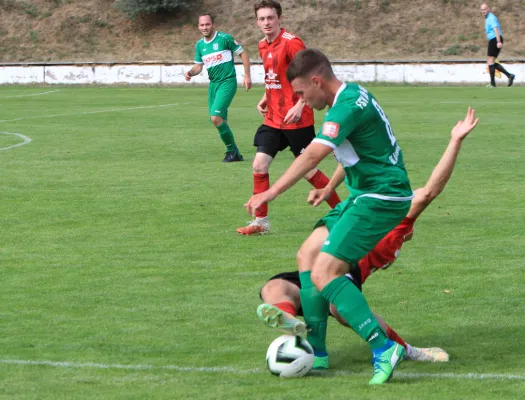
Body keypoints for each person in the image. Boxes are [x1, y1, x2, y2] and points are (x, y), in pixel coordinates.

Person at [257, 106, 480, 366]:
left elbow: (430, 190)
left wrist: (455, 140)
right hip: (323, 261)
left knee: (338, 308)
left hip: (345, 272)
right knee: (273, 288)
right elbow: (355, 162)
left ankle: (405, 349)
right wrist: (330, 188)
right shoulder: (368, 204)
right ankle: (295, 326)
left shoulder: (399, 217)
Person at [245, 48, 414, 385]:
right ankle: (317, 352)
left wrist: (270, 192)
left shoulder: (344, 108)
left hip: (381, 196)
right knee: (306, 255)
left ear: (317, 81)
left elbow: (312, 157)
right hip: (366, 192)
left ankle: (384, 348)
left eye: (303, 93)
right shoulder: (352, 95)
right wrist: (329, 188)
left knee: (325, 272)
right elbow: (352, 151)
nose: (302, 100)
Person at [236, 0, 340, 235]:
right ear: (257, 22)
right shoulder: (263, 45)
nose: (266, 23)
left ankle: (342, 212)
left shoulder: (293, 44)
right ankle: (260, 223)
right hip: (273, 118)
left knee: (308, 170)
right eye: (262, 19)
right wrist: (266, 95)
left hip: (296, 120)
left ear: (279, 19)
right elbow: (275, 76)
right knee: (259, 165)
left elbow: (311, 75)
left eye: (270, 18)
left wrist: (301, 104)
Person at [185, 14, 252, 162]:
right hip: (213, 85)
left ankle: (231, 151)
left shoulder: (224, 38)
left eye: (207, 24)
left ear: (213, 24)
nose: (204, 27)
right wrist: (190, 73)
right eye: (202, 25)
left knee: (216, 118)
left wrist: (247, 76)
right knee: (219, 120)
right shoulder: (200, 45)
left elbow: (243, 53)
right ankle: (235, 153)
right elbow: (198, 66)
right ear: (198, 26)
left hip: (227, 82)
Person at [480, 3, 515, 88]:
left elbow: (496, 29)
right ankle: (509, 76)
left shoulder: (491, 18)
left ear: (488, 9)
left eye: (485, 9)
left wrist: (498, 41)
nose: (483, 11)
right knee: (490, 61)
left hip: (495, 39)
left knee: (490, 61)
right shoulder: (488, 18)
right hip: (493, 40)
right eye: (482, 10)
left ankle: (493, 83)